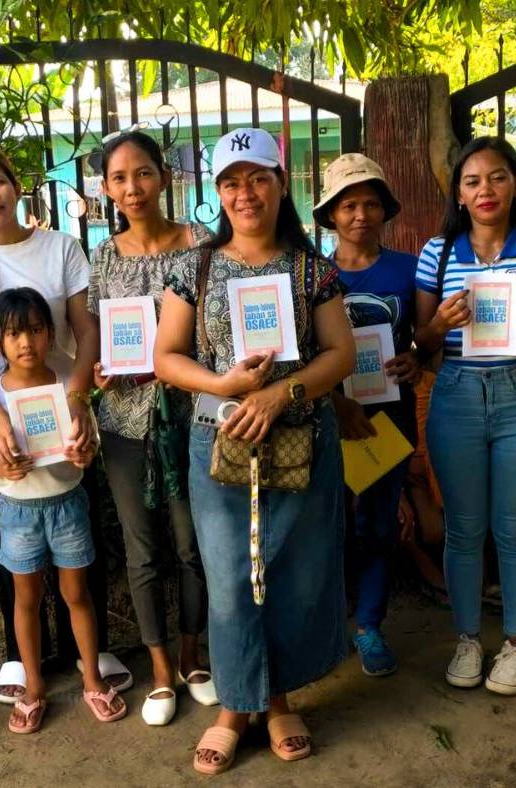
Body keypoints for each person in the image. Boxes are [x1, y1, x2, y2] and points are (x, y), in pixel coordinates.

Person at [154, 127, 355, 775]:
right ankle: (233, 709)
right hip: (218, 443)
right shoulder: (195, 267)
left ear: (280, 182)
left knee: (292, 575)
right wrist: (226, 387)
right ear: (218, 192)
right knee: (232, 582)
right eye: (232, 181)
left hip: (300, 439)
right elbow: (166, 358)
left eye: (259, 177)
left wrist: (279, 395)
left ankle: (279, 700)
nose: (246, 193)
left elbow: (341, 356)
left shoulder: (312, 269)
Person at [0, 144, 130, 705]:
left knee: (77, 538)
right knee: (13, 550)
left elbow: (85, 330)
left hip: (64, 411)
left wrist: (77, 397)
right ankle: (23, 663)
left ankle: (89, 657)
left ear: (16, 186)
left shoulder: (59, 248)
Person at [414, 136, 516, 697]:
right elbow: (422, 343)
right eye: (472, 180)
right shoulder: (437, 252)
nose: (486, 190)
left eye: (497, 177)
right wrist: (439, 326)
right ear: (458, 193)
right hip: (455, 393)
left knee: (514, 528)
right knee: (463, 530)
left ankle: (514, 643)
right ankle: (466, 638)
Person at [87, 129, 215, 726]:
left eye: (142, 173)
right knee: (142, 553)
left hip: (192, 418)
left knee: (193, 547)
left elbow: (218, 331)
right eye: (119, 178)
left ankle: (193, 658)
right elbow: (96, 339)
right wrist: (99, 372)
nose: (132, 187)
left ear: (164, 177)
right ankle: (160, 670)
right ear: (106, 189)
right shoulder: (104, 256)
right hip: (124, 423)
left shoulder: (203, 246)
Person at [0, 288, 125, 732]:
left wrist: (84, 453)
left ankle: (92, 678)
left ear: (51, 333)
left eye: (35, 330)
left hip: (67, 505)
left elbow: (87, 443)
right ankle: (34, 685)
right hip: (17, 510)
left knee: (77, 595)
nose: (26, 343)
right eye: (14, 333)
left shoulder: (66, 387)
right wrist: (0, 464)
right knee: (26, 598)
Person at [312, 153, 419, 676]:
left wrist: (418, 359)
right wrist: (335, 402)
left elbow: (428, 341)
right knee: (328, 524)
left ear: (385, 210)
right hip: (328, 417)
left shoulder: (407, 268)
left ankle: (369, 624)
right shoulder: (311, 271)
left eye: (371, 203)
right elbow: (303, 353)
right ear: (331, 213)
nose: (361, 214)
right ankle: (329, 624)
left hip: (388, 419)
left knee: (377, 523)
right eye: (349, 204)